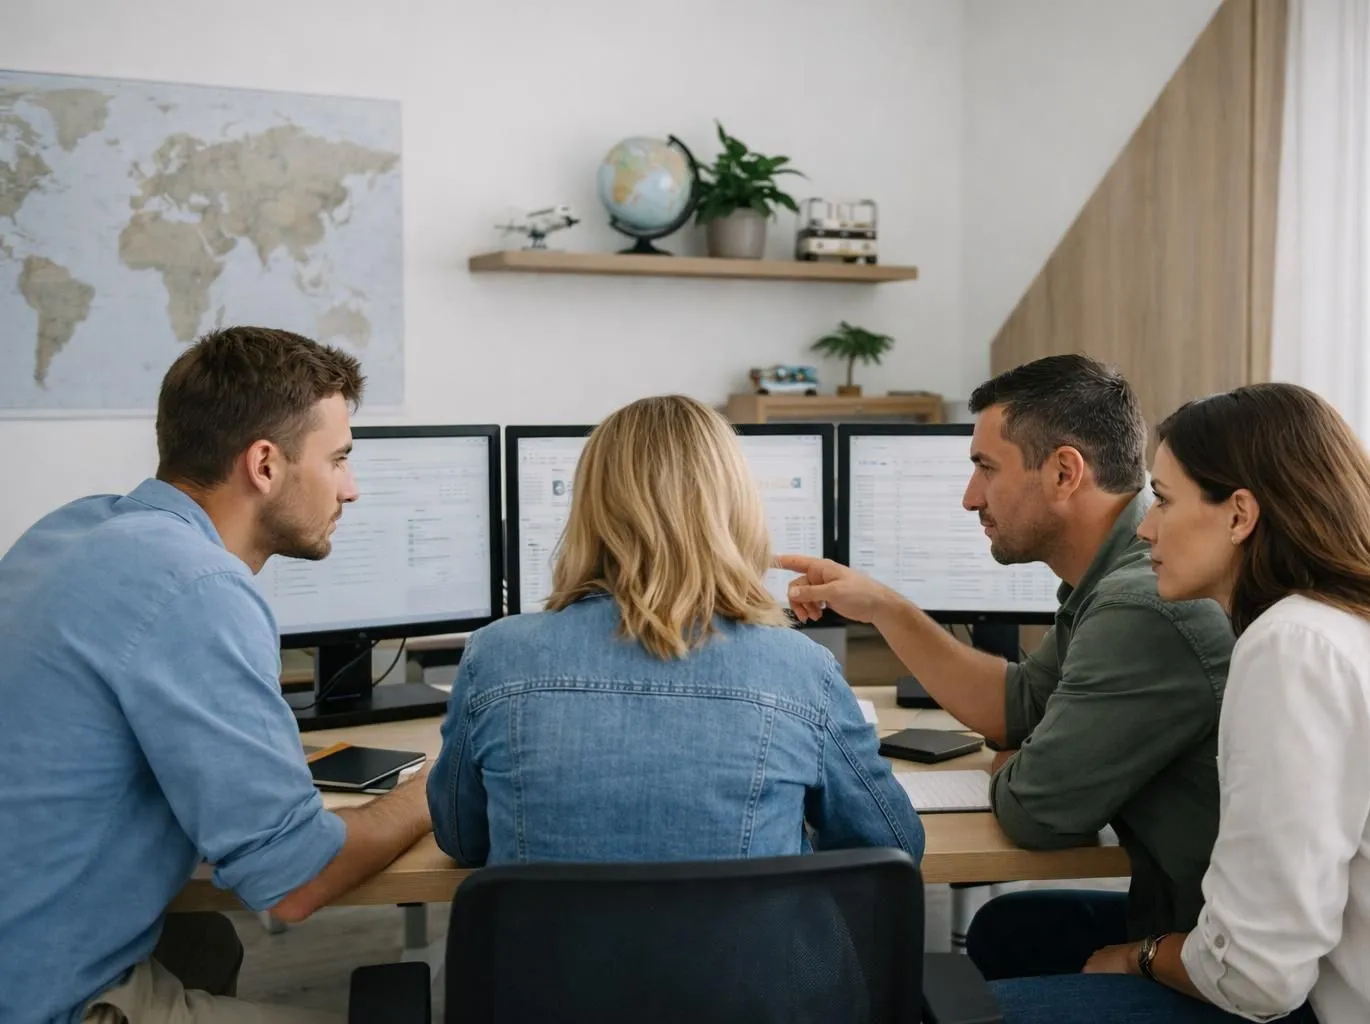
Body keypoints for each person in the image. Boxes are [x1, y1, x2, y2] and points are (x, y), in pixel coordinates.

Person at [1014, 382, 1370, 1023]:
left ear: (1239, 514)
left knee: (973, 1001)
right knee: (1020, 931)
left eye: (1165, 501)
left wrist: (1139, 957)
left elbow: (1254, 976)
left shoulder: (1295, 644)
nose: (1146, 528)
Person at [0, 327, 435, 1024]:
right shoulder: (196, 584)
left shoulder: (70, 529)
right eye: (340, 460)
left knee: (206, 942)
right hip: (43, 999)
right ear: (265, 464)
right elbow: (295, 883)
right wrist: (430, 793)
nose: (350, 490)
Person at [778, 355, 1234, 978]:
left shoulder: (1139, 604)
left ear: (1065, 473)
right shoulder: (1111, 579)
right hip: (1181, 918)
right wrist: (883, 606)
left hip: (1211, 957)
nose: (970, 499)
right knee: (1006, 928)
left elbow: (1035, 812)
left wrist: (1019, 761)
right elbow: (1018, 709)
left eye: (985, 469)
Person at [427, 394, 923, 868]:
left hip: (547, 958)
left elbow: (461, 838)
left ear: (589, 511)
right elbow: (892, 843)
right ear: (734, 511)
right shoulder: (801, 670)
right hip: (747, 958)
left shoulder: (495, 658)